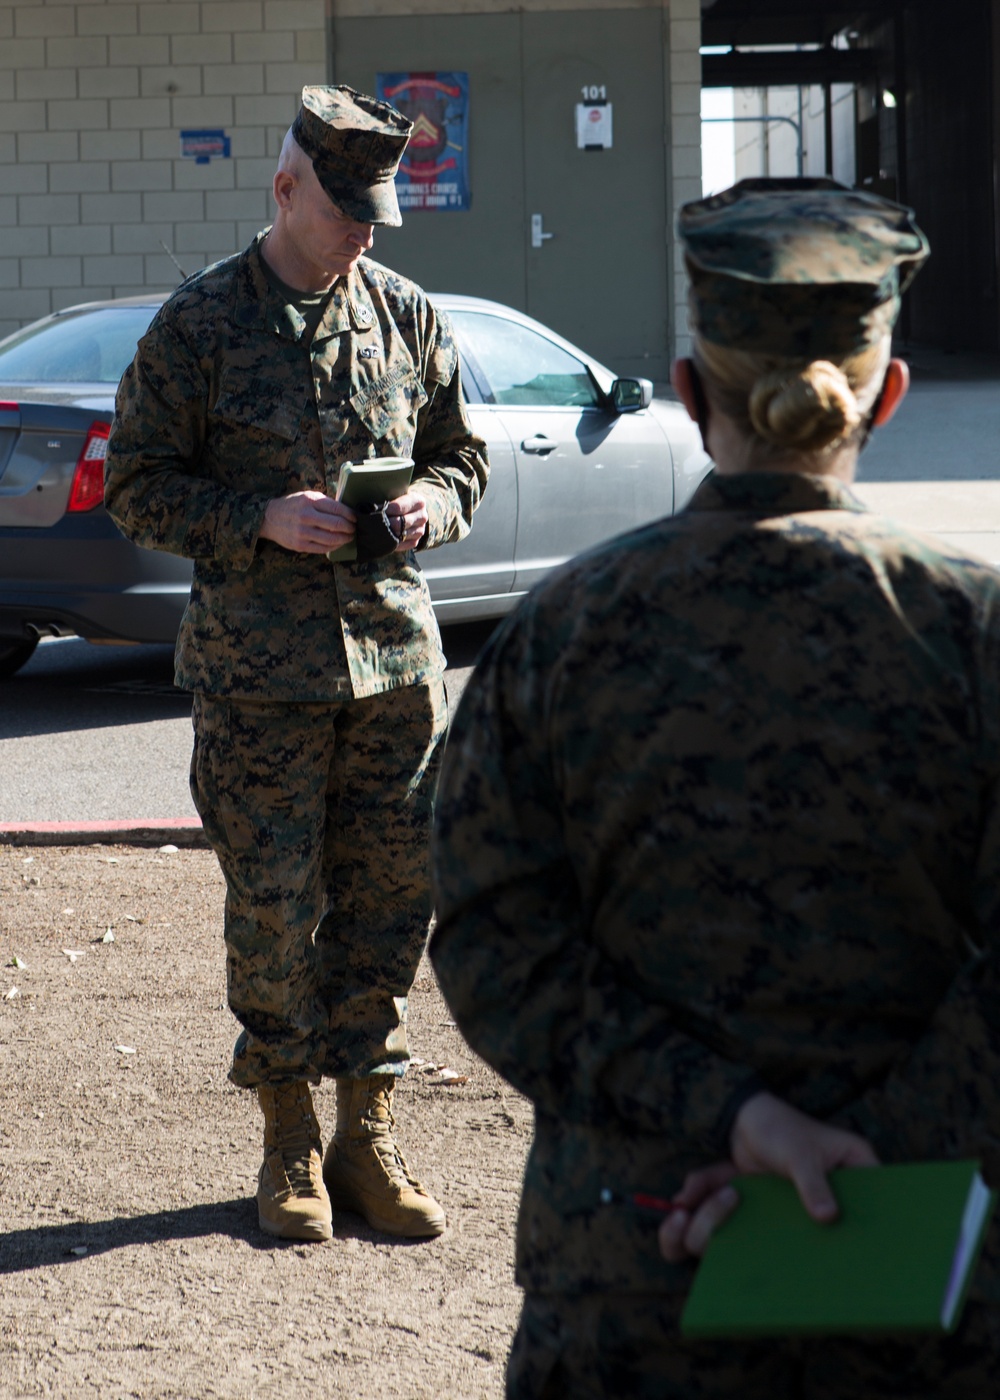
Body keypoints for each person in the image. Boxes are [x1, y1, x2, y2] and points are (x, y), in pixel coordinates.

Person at [429, 177, 1000, 1397]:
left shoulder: (559, 632)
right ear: (888, 396)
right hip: (929, 1269)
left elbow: (492, 939)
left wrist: (738, 1119)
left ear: (692, 395)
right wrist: (863, 1153)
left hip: (634, 1261)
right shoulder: (973, 631)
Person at [104, 85, 488, 1245]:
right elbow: (134, 485)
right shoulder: (199, 324)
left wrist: (431, 501)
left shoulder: (408, 314)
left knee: (387, 909)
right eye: (343, 207)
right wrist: (257, 518)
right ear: (283, 190)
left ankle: (365, 1132)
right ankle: (286, 1134)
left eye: (378, 209)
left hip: (392, 674)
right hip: (259, 682)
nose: (364, 229)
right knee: (274, 912)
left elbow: (464, 458)